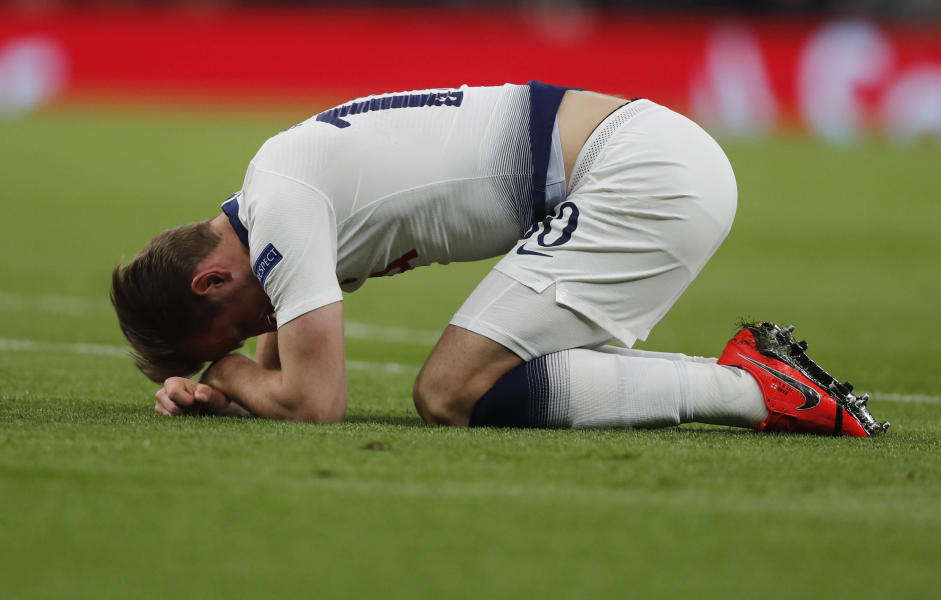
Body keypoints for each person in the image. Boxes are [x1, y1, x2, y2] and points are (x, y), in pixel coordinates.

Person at [111, 81, 887, 437]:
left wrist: (224, 374)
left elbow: (315, 403)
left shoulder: (279, 206)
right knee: (484, 382)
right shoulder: (274, 197)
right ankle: (757, 383)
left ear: (212, 278)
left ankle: (755, 388)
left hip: (641, 173)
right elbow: (284, 363)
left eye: (233, 330)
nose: (253, 335)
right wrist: (240, 385)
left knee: (450, 390)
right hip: (650, 158)